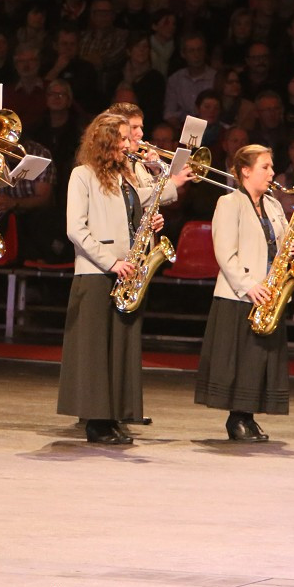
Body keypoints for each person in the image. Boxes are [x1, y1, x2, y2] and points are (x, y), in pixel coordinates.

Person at [57, 113, 165, 444]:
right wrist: (110, 262)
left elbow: (148, 204)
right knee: (94, 350)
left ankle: (115, 414)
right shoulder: (82, 175)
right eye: (122, 138)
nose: (129, 143)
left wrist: (154, 209)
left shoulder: (126, 178)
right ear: (105, 141)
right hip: (96, 273)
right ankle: (96, 421)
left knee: (120, 348)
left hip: (127, 270)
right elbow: (75, 228)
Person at [194, 144, 294, 442]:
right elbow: (225, 254)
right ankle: (237, 419)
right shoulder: (229, 203)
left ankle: (249, 416)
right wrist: (249, 285)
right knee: (240, 360)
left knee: (258, 361)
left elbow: (283, 243)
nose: (272, 173)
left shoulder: (272, 205)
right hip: (240, 295)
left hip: (269, 293)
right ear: (245, 170)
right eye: (265, 167)